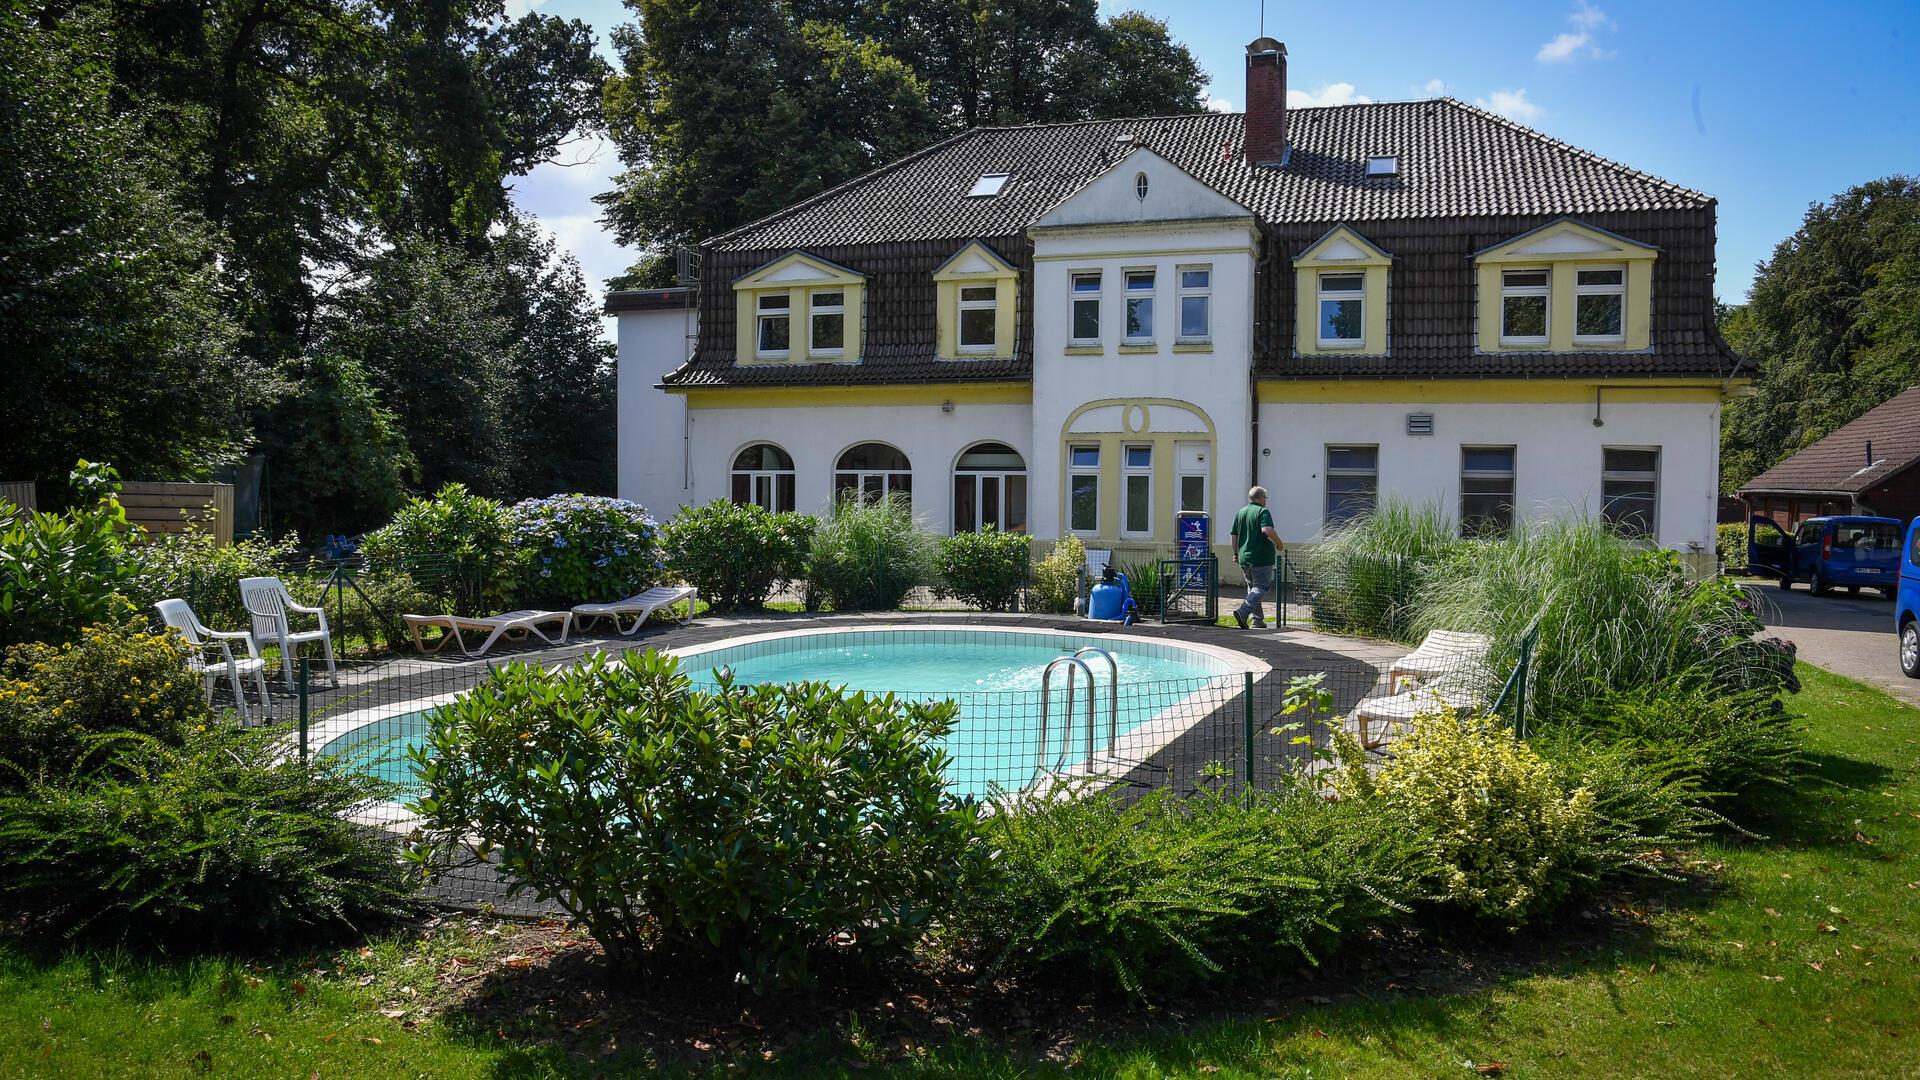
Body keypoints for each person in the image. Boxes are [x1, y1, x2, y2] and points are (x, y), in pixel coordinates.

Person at [1229, 486, 1284, 629]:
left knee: (1252, 588)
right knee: (1261, 587)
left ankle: (1257, 620)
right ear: (1261, 498)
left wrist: (1235, 553)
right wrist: (1279, 544)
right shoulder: (1262, 511)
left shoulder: (1240, 513)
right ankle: (1243, 611)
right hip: (1261, 558)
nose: (1265, 501)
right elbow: (1267, 530)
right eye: (1265, 498)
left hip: (1244, 558)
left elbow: (1234, 535)